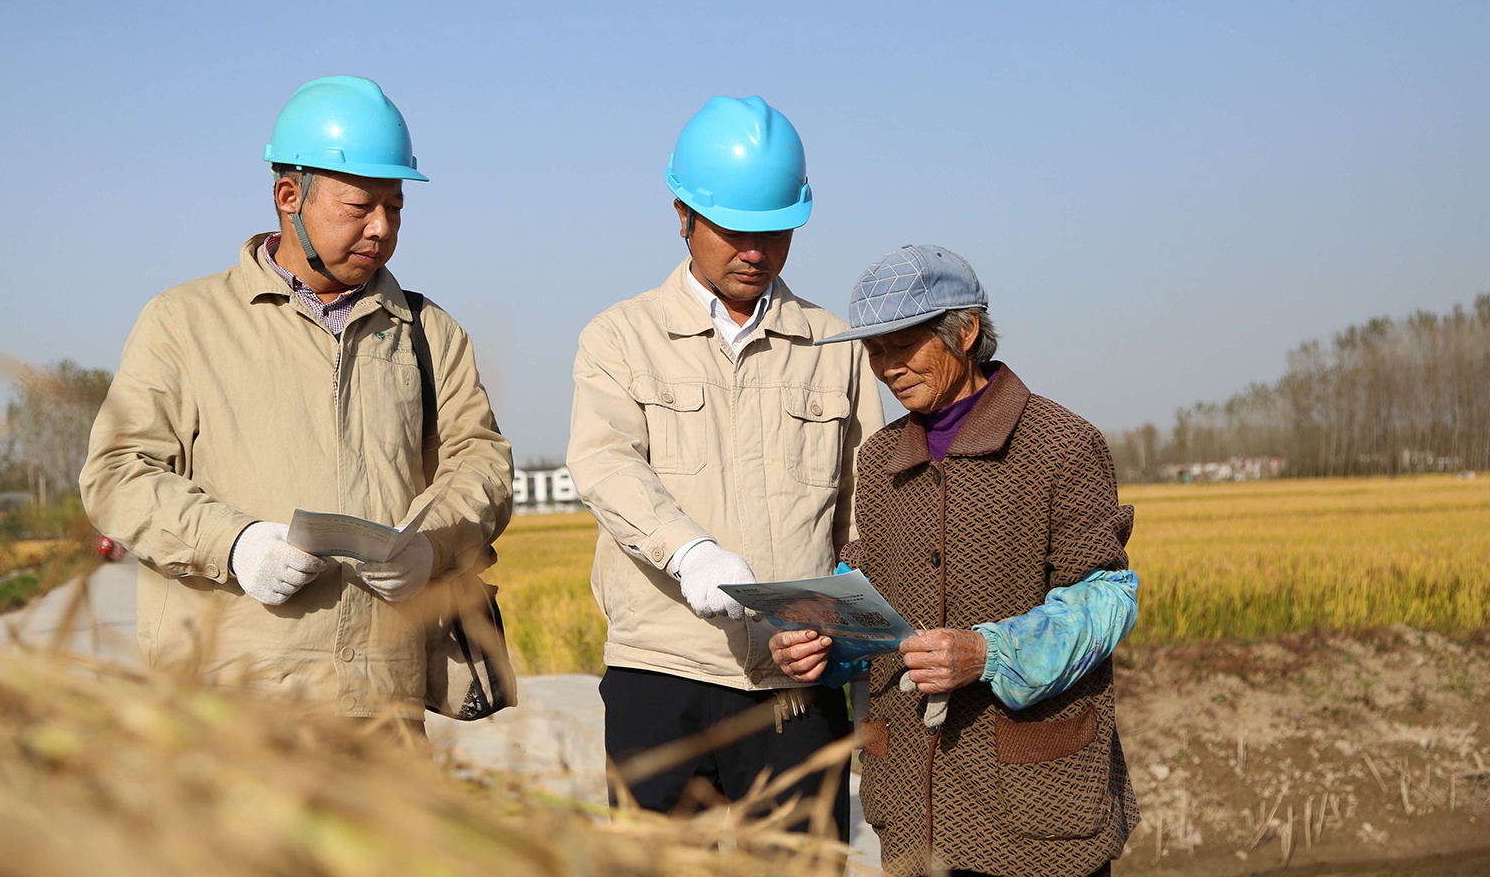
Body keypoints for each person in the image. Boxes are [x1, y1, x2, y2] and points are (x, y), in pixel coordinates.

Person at [80, 76, 514, 725]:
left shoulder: (430, 333)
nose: (381, 228)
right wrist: (235, 544)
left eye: (395, 208)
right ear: (289, 196)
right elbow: (116, 475)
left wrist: (431, 544)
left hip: (382, 708)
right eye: (359, 206)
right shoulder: (183, 323)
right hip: (228, 712)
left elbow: (483, 465)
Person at [567, 95, 885, 830]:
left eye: (776, 231)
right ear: (682, 214)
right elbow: (606, 465)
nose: (756, 251)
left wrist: (842, 634)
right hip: (662, 675)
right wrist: (690, 552)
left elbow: (864, 517)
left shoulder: (831, 346)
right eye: (735, 230)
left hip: (795, 687)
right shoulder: (620, 338)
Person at [770, 245, 1140, 876]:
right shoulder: (881, 460)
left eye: (902, 346)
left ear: (965, 331)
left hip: (1036, 804)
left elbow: (1107, 600)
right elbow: (867, 599)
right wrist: (819, 645)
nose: (886, 369)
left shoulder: (1063, 444)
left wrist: (990, 653)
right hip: (914, 806)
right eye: (875, 351)